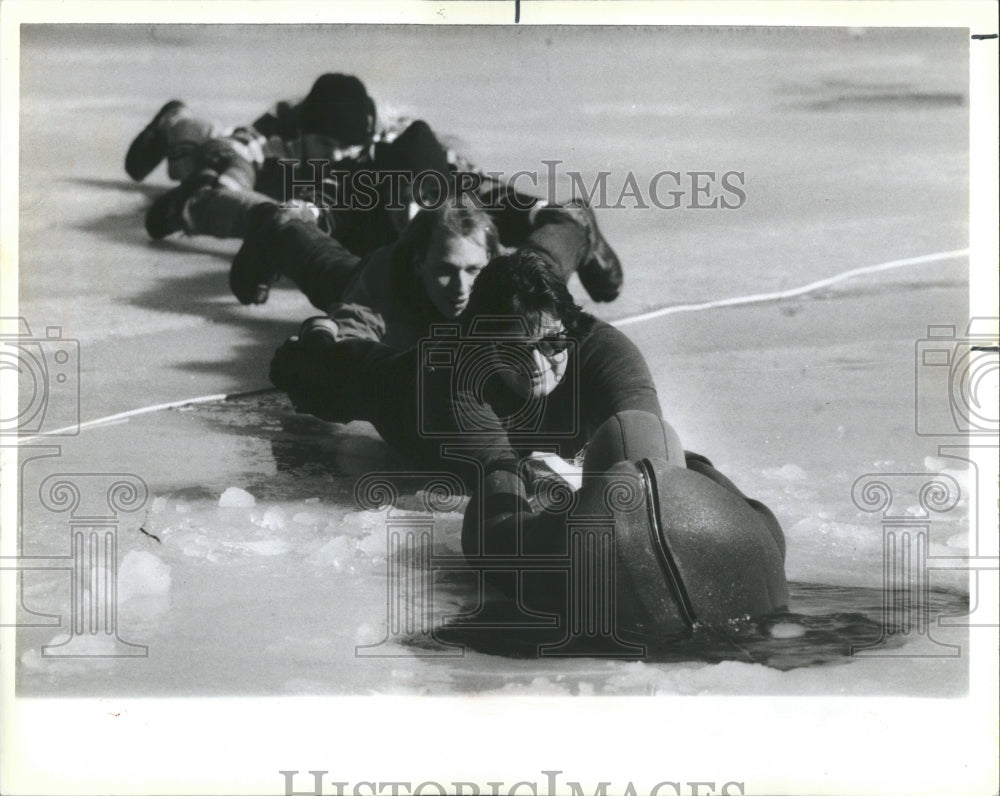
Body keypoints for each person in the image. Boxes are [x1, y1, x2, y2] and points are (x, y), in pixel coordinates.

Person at [269, 250, 787, 639]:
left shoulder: (606, 351)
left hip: (535, 441)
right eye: (514, 348)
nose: (538, 365)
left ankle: (566, 226)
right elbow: (499, 508)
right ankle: (316, 315)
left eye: (552, 344)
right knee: (311, 372)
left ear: (572, 330)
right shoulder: (454, 376)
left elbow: (655, 463)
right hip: (402, 396)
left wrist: (701, 474)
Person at [229, 194, 620, 348]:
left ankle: (565, 215)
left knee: (560, 239)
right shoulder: (386, 281)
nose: (461, 288)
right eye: (445, 271)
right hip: (366, 276)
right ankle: (283, 223)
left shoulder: (509, 277)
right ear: (421, 264)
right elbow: (353, 329)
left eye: (473, 271)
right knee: (318, 264)